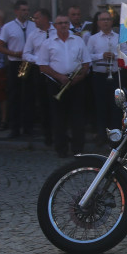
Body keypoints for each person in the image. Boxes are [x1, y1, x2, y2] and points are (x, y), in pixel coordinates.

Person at [38, 14, 91, 157]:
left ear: (69, 25)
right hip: (56, 83)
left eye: (66, 23)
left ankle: (78, 149)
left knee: (78, 117)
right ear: (54, 26)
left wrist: (78, 77)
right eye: (60, 23)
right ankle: (61, 149)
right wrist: (60, 77)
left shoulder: (78, 40)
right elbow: (43, 66)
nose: (63, 25)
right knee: (58, 118)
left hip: (76, 83)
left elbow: (86, 63)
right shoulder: (47, 43)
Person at [0, 0, 34, 138]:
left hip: (28, 63)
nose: (26, 12)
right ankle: (15, 128)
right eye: (23, 10)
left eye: (27, 10)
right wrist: (14, 53)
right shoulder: (8, 27)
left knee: (28, 95)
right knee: (15, 95)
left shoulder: (33, 26)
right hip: (15, 63)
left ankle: (28, 127)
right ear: (16, 11)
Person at [86, 10, 121, 144]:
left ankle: (116, 137)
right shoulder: (93, 38)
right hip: (99, 76)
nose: (105, 22)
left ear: (112, 22)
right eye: (103, 20)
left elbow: (126, 53)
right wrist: (101, 55)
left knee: (116, 106)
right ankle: (101, 134)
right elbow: (87, 57)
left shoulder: (118, 37)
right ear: (98, 23)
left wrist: (115, 56)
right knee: (100, 106)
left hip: (115, 75)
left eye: (108, 19)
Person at [23, 8, 54, 144]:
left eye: (37, 18)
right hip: (40, 71)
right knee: (43, 103)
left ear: (45, 19)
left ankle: (60, 132)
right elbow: (26, 54)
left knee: (57, 103)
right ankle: (47, 134)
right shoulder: (33, 35)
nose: (34, 20)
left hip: (56, 70)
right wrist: (39, 59)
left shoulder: (56, 31)